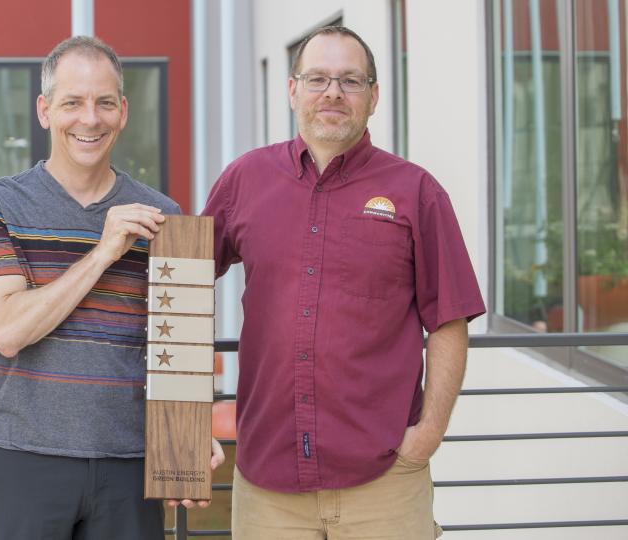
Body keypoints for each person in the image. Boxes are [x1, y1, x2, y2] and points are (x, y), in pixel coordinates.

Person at [202, 26, 485, 539]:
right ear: (293, 91)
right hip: (268, 485)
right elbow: (185, 279)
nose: (333, 93)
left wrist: (429, 435)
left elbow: (450, 319)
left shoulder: (417, 192)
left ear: (373, 96)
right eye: (318, 79)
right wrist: (184, 418)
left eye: (350, 81)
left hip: (384, 484)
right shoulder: (244, 179)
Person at [0, 36, 224, 540]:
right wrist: (105, 250)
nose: (90, 118)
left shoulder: (163, 216)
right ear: (44, 110)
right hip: (26, 459)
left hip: (129, 466)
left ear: (123, 112)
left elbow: (175, 343)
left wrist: (190, 434)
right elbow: (9, 330)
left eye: (105, 102)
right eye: (72, 102)